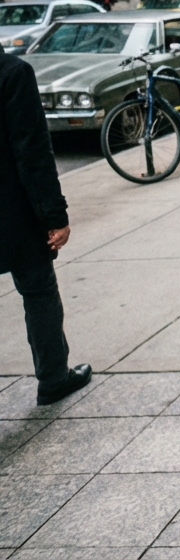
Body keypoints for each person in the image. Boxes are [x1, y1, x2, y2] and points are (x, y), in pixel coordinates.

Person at [0, 52, 91, 406]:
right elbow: (32, 151)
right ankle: (53, 378)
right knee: (39, 292)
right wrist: (54, 215)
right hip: (13, 213)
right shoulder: (12, 73)